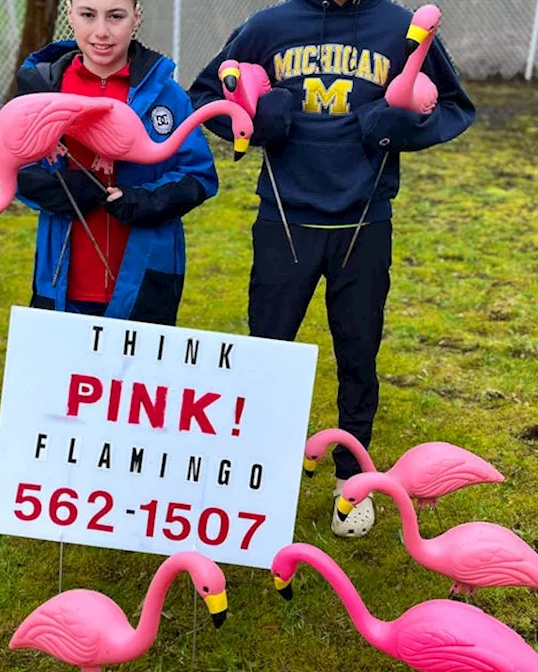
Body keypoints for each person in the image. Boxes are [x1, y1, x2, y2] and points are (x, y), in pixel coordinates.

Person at [188, 0, 475, 537]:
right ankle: (258, 476)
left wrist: (399, 129)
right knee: (266, 351)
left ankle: (352, 481)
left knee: (358, 352)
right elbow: (205, 94)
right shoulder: (269, 25)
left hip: (364, 219)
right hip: (285, 217)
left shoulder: (399, 27)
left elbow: (455, 107)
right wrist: (254, 121)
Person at [9, 0, 218, 325]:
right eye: (88, 15)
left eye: (116, 16)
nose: (102, 32)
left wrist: (147, 200)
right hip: (62, 276)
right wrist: (50, 187)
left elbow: (199, 174)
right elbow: (9, 161)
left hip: (148, 275)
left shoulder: (168, 95)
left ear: (136, 17)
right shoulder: (42, 90)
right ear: (70, 14)